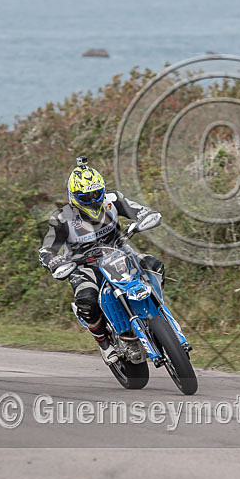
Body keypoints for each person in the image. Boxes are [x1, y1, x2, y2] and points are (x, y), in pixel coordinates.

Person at [38, 156, 164, 364]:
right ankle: (104, 342)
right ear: (74, 197)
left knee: (155, 266)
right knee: (86, 299)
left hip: (121, 253)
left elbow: (139, 210)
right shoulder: (61, 218)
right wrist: (52, 261)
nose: (94, 199)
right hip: (84, 265)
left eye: (97, 193)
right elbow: (46, 249)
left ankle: (157, 314)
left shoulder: (113, 199)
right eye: (86, 197)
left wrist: (144, 216)